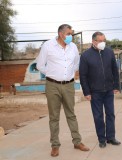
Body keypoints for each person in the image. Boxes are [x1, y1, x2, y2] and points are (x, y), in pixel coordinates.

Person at [36, 24, 89, 157]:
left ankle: (77, 142)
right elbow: (40, 65)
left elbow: (77, 63)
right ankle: (55, 145)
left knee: (71, 114)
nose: (71, 36)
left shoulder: (73, 47)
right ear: (61, 34)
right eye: (69, 33)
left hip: (69, 85)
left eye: (72, 34)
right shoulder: (48, 46)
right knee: (54, 117)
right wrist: (53, 73)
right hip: (52, 85)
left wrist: (69, 73)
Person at [79, 32, 121, 148]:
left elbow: (114, 70)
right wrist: (86, 92)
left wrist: (116, 86)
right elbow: (83, 76)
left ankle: (111, 138)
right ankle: (102, 139)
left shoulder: (109, 52)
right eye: (100, 40)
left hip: (108, 90)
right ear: (94, 42)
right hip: (95, 92)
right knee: (98, 116)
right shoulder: (86, 56)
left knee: (110, 114)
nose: (103, 43)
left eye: (104, 40)